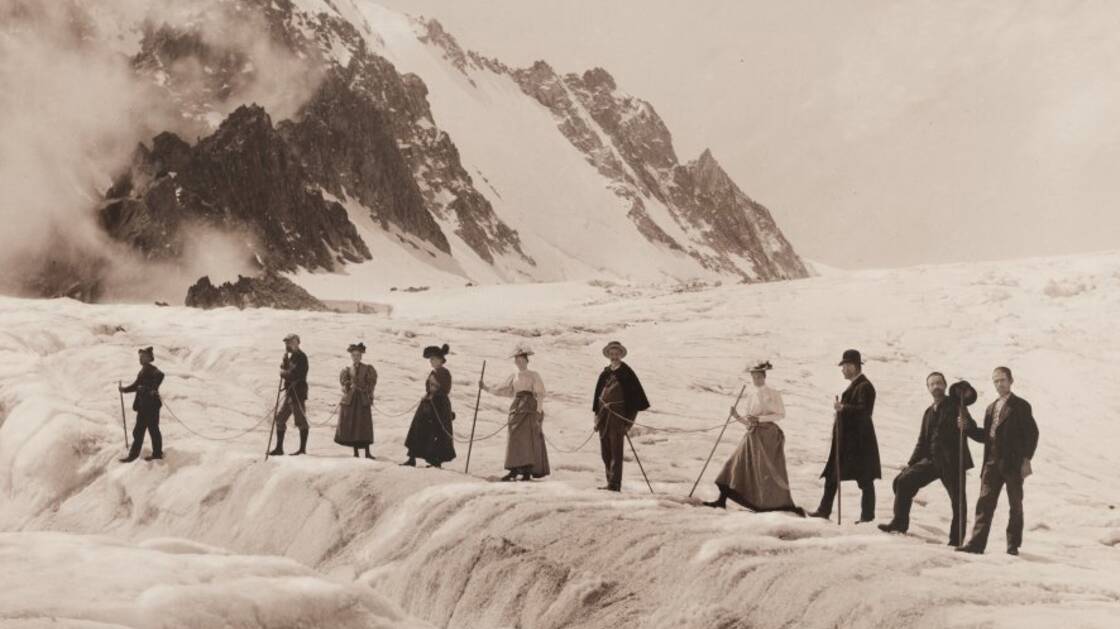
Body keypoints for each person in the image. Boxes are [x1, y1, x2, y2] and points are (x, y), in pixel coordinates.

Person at [879, 373, 976, 545]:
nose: (936, 386)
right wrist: (910, 465)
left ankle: (956, 540)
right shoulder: (928, 412)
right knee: (903, 481)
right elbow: (922, 441)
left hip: (952, 462)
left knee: (958, 501)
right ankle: (899, 524)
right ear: (928, 388)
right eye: (932, 384)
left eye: (939, 383)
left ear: (945, 385)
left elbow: (971, 427)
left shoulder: (956, 404)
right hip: (931, 461)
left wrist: (965, 424)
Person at [957, 367, 1039, 556]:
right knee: (984, 504)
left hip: (1013, 464)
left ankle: (1012, 545)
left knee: (1015, 506)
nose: (999, 384)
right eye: (996, 381)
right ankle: (976, 545)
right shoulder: (990, 408)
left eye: (1002, 380)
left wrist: (1026, 459)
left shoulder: (1021, 406)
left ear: (1011, 381)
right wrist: (967, 428)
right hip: (991, 464)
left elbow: (1032, 434)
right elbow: (986, 436)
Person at [703, 360, 802, 514]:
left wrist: (760, 419)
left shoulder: (773, 393)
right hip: (753, 435)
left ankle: (768, 504)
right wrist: (736, 416)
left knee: (763, 472)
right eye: (753, 377)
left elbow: (781, 415)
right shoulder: (751, 395)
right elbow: (749, 422)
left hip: (769, 437)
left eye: (758, 377)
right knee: (735, 463)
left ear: (764, 376)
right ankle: (721, 500)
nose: (756, 380)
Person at [809, 349, 882, 523]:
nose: (842, 370)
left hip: (859, 443)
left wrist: (843, 408)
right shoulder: (857, 385)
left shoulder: (865, 386)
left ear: (854, 366)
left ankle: (867, 517)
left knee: (865, 480)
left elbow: (865, 412)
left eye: (845, 366)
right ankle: (824, 510)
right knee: (833, 474)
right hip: (848, 442)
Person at [482, 343, 550, 481]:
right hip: (517, 407)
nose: (519, 362)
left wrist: (538, 411)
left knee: (527, 439)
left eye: (522, 360)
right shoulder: (514, 376)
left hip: (530, 408)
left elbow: (540, 394)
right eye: (517, 360)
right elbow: (504, 390)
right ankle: (513, 470)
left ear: (527, 360)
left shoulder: (534, 375)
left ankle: (526, 471)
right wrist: (486, 388)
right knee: (514, 437)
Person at [592, 341, 650, 492]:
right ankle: (609, 480)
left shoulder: (627, 372)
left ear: (620, 354)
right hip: (604, 416)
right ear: (608, 355)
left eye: (616, 353)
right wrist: (597, 416)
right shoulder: (605, 373)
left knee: (616, 451)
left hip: (618, 417)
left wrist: (628, 421)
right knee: (605, 450)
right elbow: (597, 397)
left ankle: (615, 484)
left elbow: (636, 399)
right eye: (611, 353)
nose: (614, 356)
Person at [402, 344, 456, 468]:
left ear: (440, 360)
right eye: (430, 359)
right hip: (429, 404)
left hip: (439, 405)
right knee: (418, 428)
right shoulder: (434, 372)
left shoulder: (444, 372)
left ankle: (436, 460)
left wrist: (434, 393)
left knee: (437, 432)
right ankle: (412, 457)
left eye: (433, 359)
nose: (431, 362)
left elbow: (444, 389)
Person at [118, 346, 165, 463]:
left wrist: (151, 388)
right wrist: (124, 390)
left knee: (153, 430)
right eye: (140, 357)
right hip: (143, 407)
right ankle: (133, 455)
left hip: (151, 406)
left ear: (149, 358)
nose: (140, 359)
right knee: (138, 431)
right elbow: (136, 385)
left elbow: (160, 375)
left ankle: (157, 454)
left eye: (143, 357)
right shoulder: (143, 371)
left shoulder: (152, 369)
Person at [334, 342, 378, 459]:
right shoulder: (348, 369)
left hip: (363, 399)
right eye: (353, 355)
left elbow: (371, 383)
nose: (356, 357)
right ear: (351, 356)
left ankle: (367, 452)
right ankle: (356, 453)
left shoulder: (368, 369)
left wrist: (368, 392)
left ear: (361, 356)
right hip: (352, 400)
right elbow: (344, 384)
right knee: (353, 424)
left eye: (358, 355)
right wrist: (348, 385)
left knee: (365, 425)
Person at [269, 333, 309, 457]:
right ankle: (279, 449)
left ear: (296, 342)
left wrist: (284, 373)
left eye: (289, 342)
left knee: (301, 421)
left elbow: (296, 375)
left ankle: (302, 450)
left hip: (298, 393)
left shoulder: (301, 357)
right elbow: (290, 371)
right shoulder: (292, 357)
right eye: (286, 343)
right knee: (280, 419)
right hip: (290, 393)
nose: (287, 345)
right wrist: (285, 364)